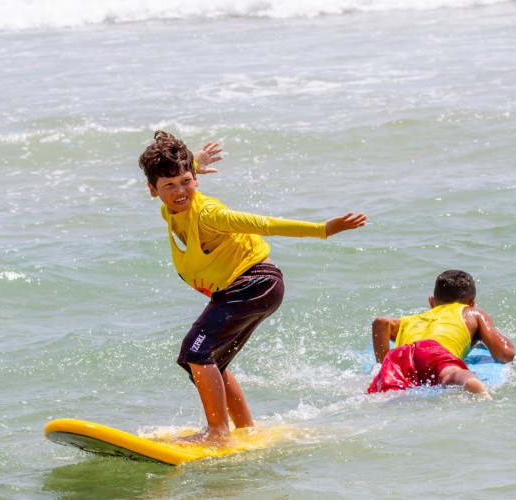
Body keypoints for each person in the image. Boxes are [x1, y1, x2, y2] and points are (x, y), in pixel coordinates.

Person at [138, 130, 367, 444]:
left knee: (196, 351)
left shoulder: (208, 214)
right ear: (154, 190)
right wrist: (195, 162)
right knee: (205, 361)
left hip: (254, 282)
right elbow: (178, 179)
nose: (180, 191)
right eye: (170, 185)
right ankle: (245, 428)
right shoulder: (171, 210)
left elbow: (262, 224)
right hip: (248, 287)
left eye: (187, 181)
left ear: (196, 181)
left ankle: (217, 433)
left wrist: (323, 230)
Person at [368, 269, 515, 399]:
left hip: (399, 355)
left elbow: (380, 323)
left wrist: (382, 365)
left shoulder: (411, 320)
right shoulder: (471, 313)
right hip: (433, 350)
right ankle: (470, 383)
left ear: (432, 302)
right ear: (472, 303)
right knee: (450, 374)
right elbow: (505, 354)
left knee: (389, 392)